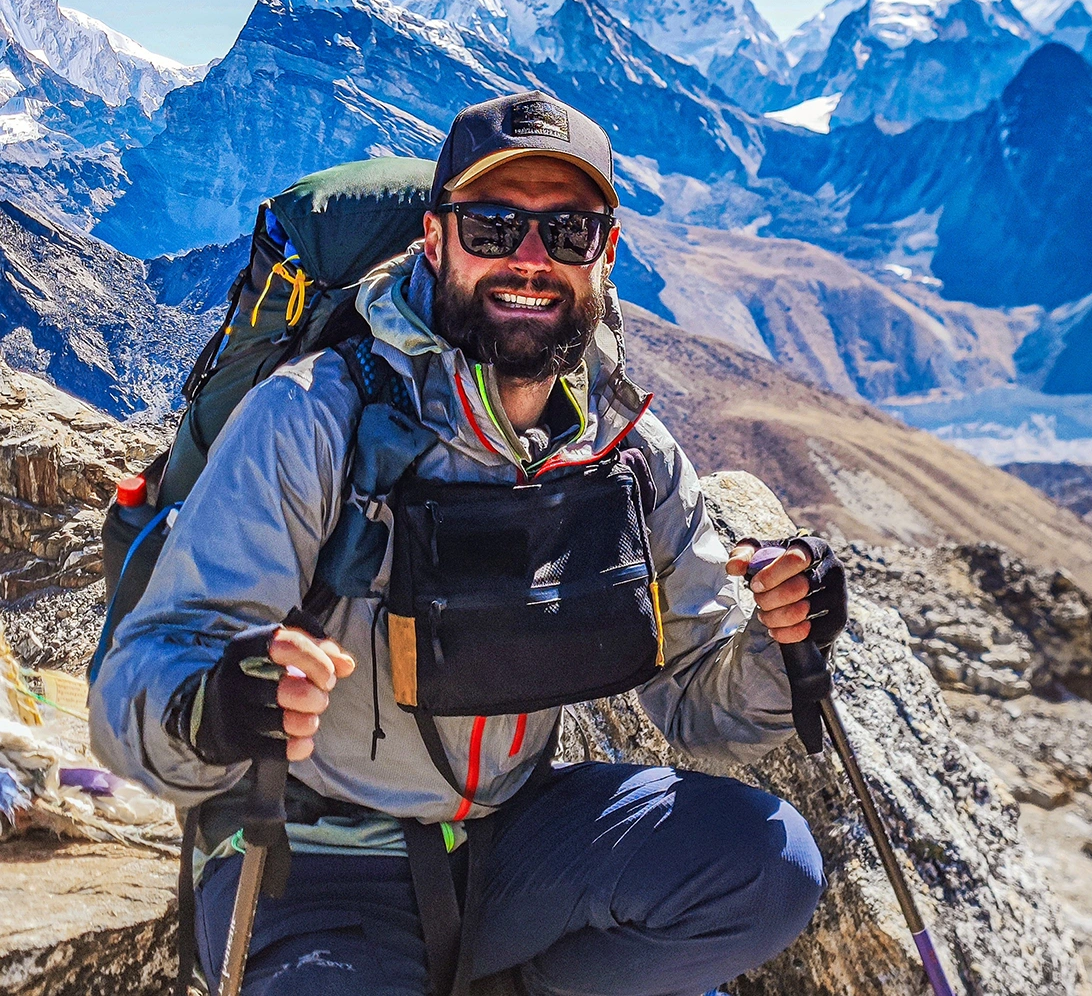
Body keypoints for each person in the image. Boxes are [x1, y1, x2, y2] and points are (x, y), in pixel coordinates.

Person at [91, 91, 848, 996]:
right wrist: (214, 708)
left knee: (768, 867)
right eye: (492, 227)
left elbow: (701, 704)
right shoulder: (316, 418)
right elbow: (132, 690)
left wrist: (784, 639)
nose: (529, 260)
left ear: (603, 256)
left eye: (567, 233)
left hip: (511, 845)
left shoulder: (624, 448)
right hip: (314, 862)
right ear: (436, 238)